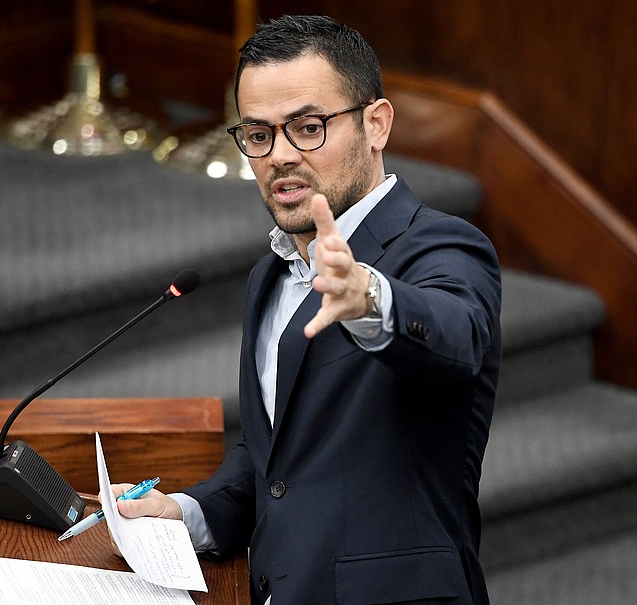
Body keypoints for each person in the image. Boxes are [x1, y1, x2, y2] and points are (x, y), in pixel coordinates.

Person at [114, 14, 501, 605]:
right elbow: (280, 462)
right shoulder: (270, 276)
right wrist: (187, 513)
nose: (280, 156)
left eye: (308, 127)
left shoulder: (443, 246)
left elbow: (457, 333)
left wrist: (370, 298)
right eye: (259, 135)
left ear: (376, 124)